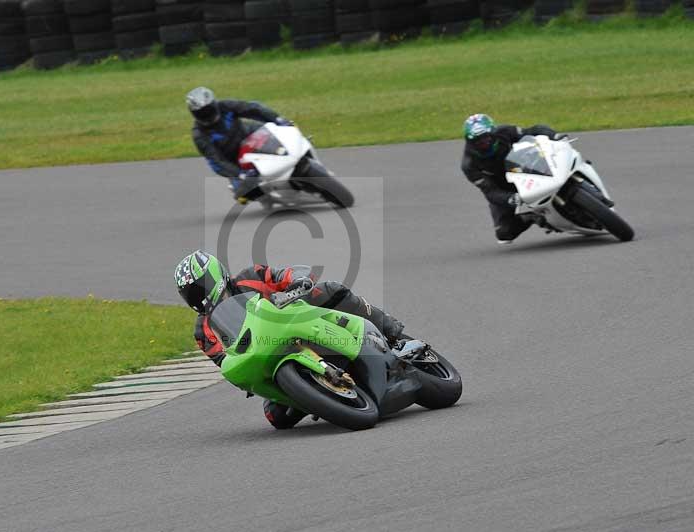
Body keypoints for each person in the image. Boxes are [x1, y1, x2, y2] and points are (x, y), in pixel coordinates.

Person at [174, 250, 406, 429]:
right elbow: (224, 360)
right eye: (190, 293)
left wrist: (297, 281)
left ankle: (388, 326)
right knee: (276, 418)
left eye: (199, 287)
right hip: (267, 356)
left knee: (331, 290)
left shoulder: (250, 276)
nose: (198, 296)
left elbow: (284, 275)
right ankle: (319, 394)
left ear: (215, 274)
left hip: (299, 319)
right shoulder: (203, 330)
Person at [461, 113, 565, 244]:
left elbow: (532, 131)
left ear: (493, 133)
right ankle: (533, 218)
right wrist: (509, 198)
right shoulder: (469, 165)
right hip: (503, 187)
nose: (484, 143)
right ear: (470, 142)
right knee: (504, 233)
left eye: (486, 138)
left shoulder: (504, 131)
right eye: (478, 142)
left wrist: (554, 135)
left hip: (526, 169)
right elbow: (490, 192)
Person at [187, 86, 294, 200]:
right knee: (243, 195)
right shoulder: (200, 135)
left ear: (214, 104)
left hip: (252, 136)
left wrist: (277, 119)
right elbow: (216, 162)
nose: (207, 115)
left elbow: (253, 108)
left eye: (208, 110)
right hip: (237, 161)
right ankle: (269, 198)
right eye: (202, 113)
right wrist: (239, 174)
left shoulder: (225, 106)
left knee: (284, 133)